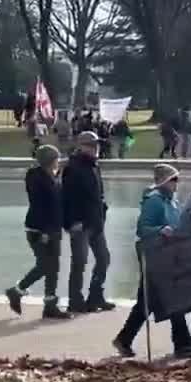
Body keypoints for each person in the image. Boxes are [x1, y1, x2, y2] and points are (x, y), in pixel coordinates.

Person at [113, 163, 191, 359]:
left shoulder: (172, 200)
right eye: (173, 179)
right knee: (171, 299)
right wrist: (160, 230)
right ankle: (182, 344)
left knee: (147, 302)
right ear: (164, 181)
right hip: (155, 256)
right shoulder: (154, 201)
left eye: (177, 179)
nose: (177, 183)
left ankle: (124, 339)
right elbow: (143, 229)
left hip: (169, 255)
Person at [6, 145, 71, 319]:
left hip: (53, 229)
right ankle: (16, 291)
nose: (59, 161)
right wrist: (44, 231)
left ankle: (50, 305)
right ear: (50, 161)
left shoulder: (51, 177)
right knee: (45, 265)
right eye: (56, 159)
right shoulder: (37, 179)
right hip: (40, 229)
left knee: (53, 267)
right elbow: (41, 206)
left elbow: (56, 202)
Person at [62, 131, 113, 314]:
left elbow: (98, 194)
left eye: (96, 144)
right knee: (79, 262)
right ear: (81, 146)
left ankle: (95, 296)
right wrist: (71, 222)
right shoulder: (72, 168)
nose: (95, 148)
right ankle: (75, 300)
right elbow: (66, 198)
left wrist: (103, 210)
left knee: (104, 259)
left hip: (96, 222)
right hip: (80, 223)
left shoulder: (94, 166)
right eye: (91, 145)